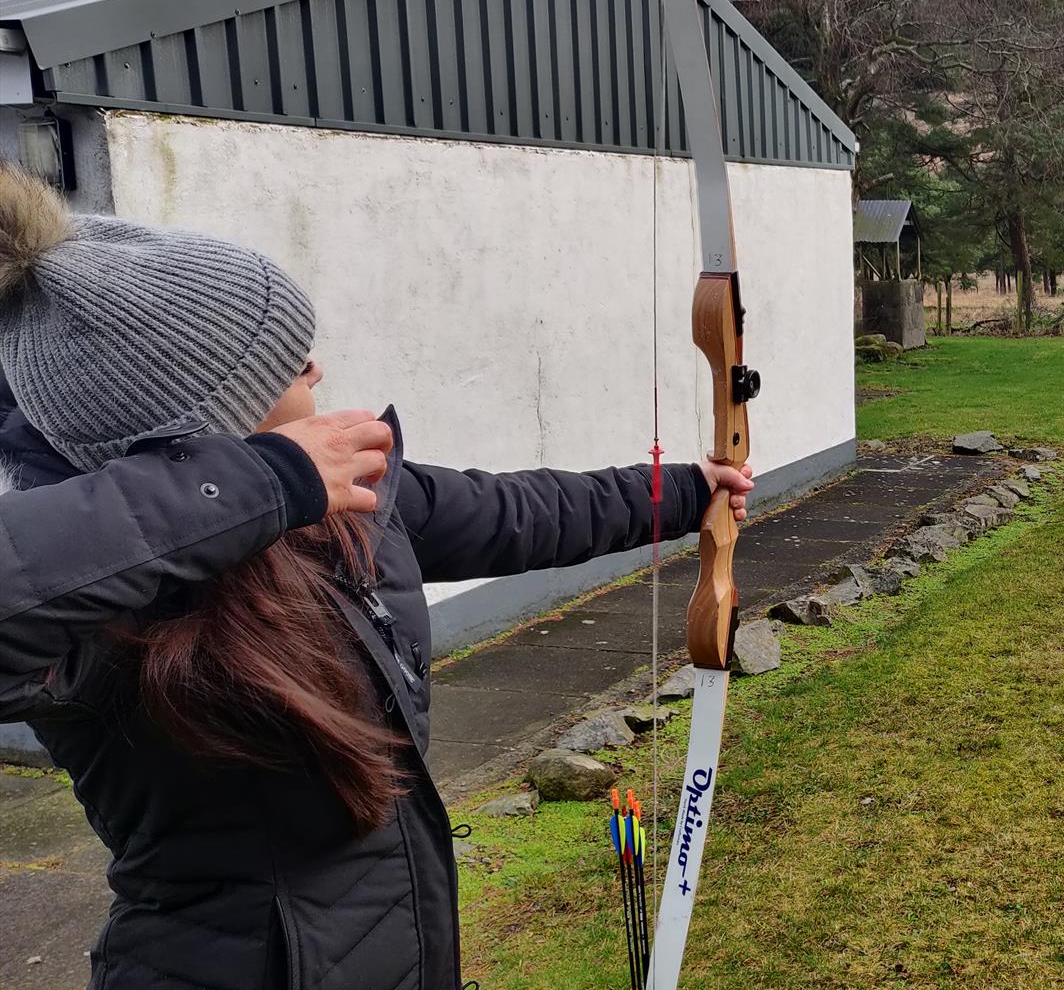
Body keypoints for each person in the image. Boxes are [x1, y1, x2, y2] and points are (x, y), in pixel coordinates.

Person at [0, 165, 752, 989]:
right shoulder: (96, 607)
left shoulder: (344, 497)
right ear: (214, 413)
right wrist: (259, 486)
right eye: (285, 361)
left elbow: (516, 514)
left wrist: (685, 492)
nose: (316, 368)